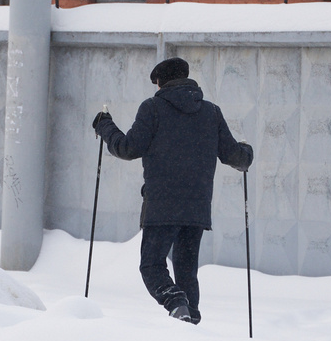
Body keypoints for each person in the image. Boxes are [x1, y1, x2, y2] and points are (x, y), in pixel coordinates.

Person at [91, 57, 253, 324]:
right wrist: (247, 153)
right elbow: (235, 156)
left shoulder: (153, 108)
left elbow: (128, 149)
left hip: (162, 205)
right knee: (186, 270)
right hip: (196, 208)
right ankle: (191, 323)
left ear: (160, 82)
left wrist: (104, 125)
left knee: (151, 266)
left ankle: (176, 303)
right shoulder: (211, 112)